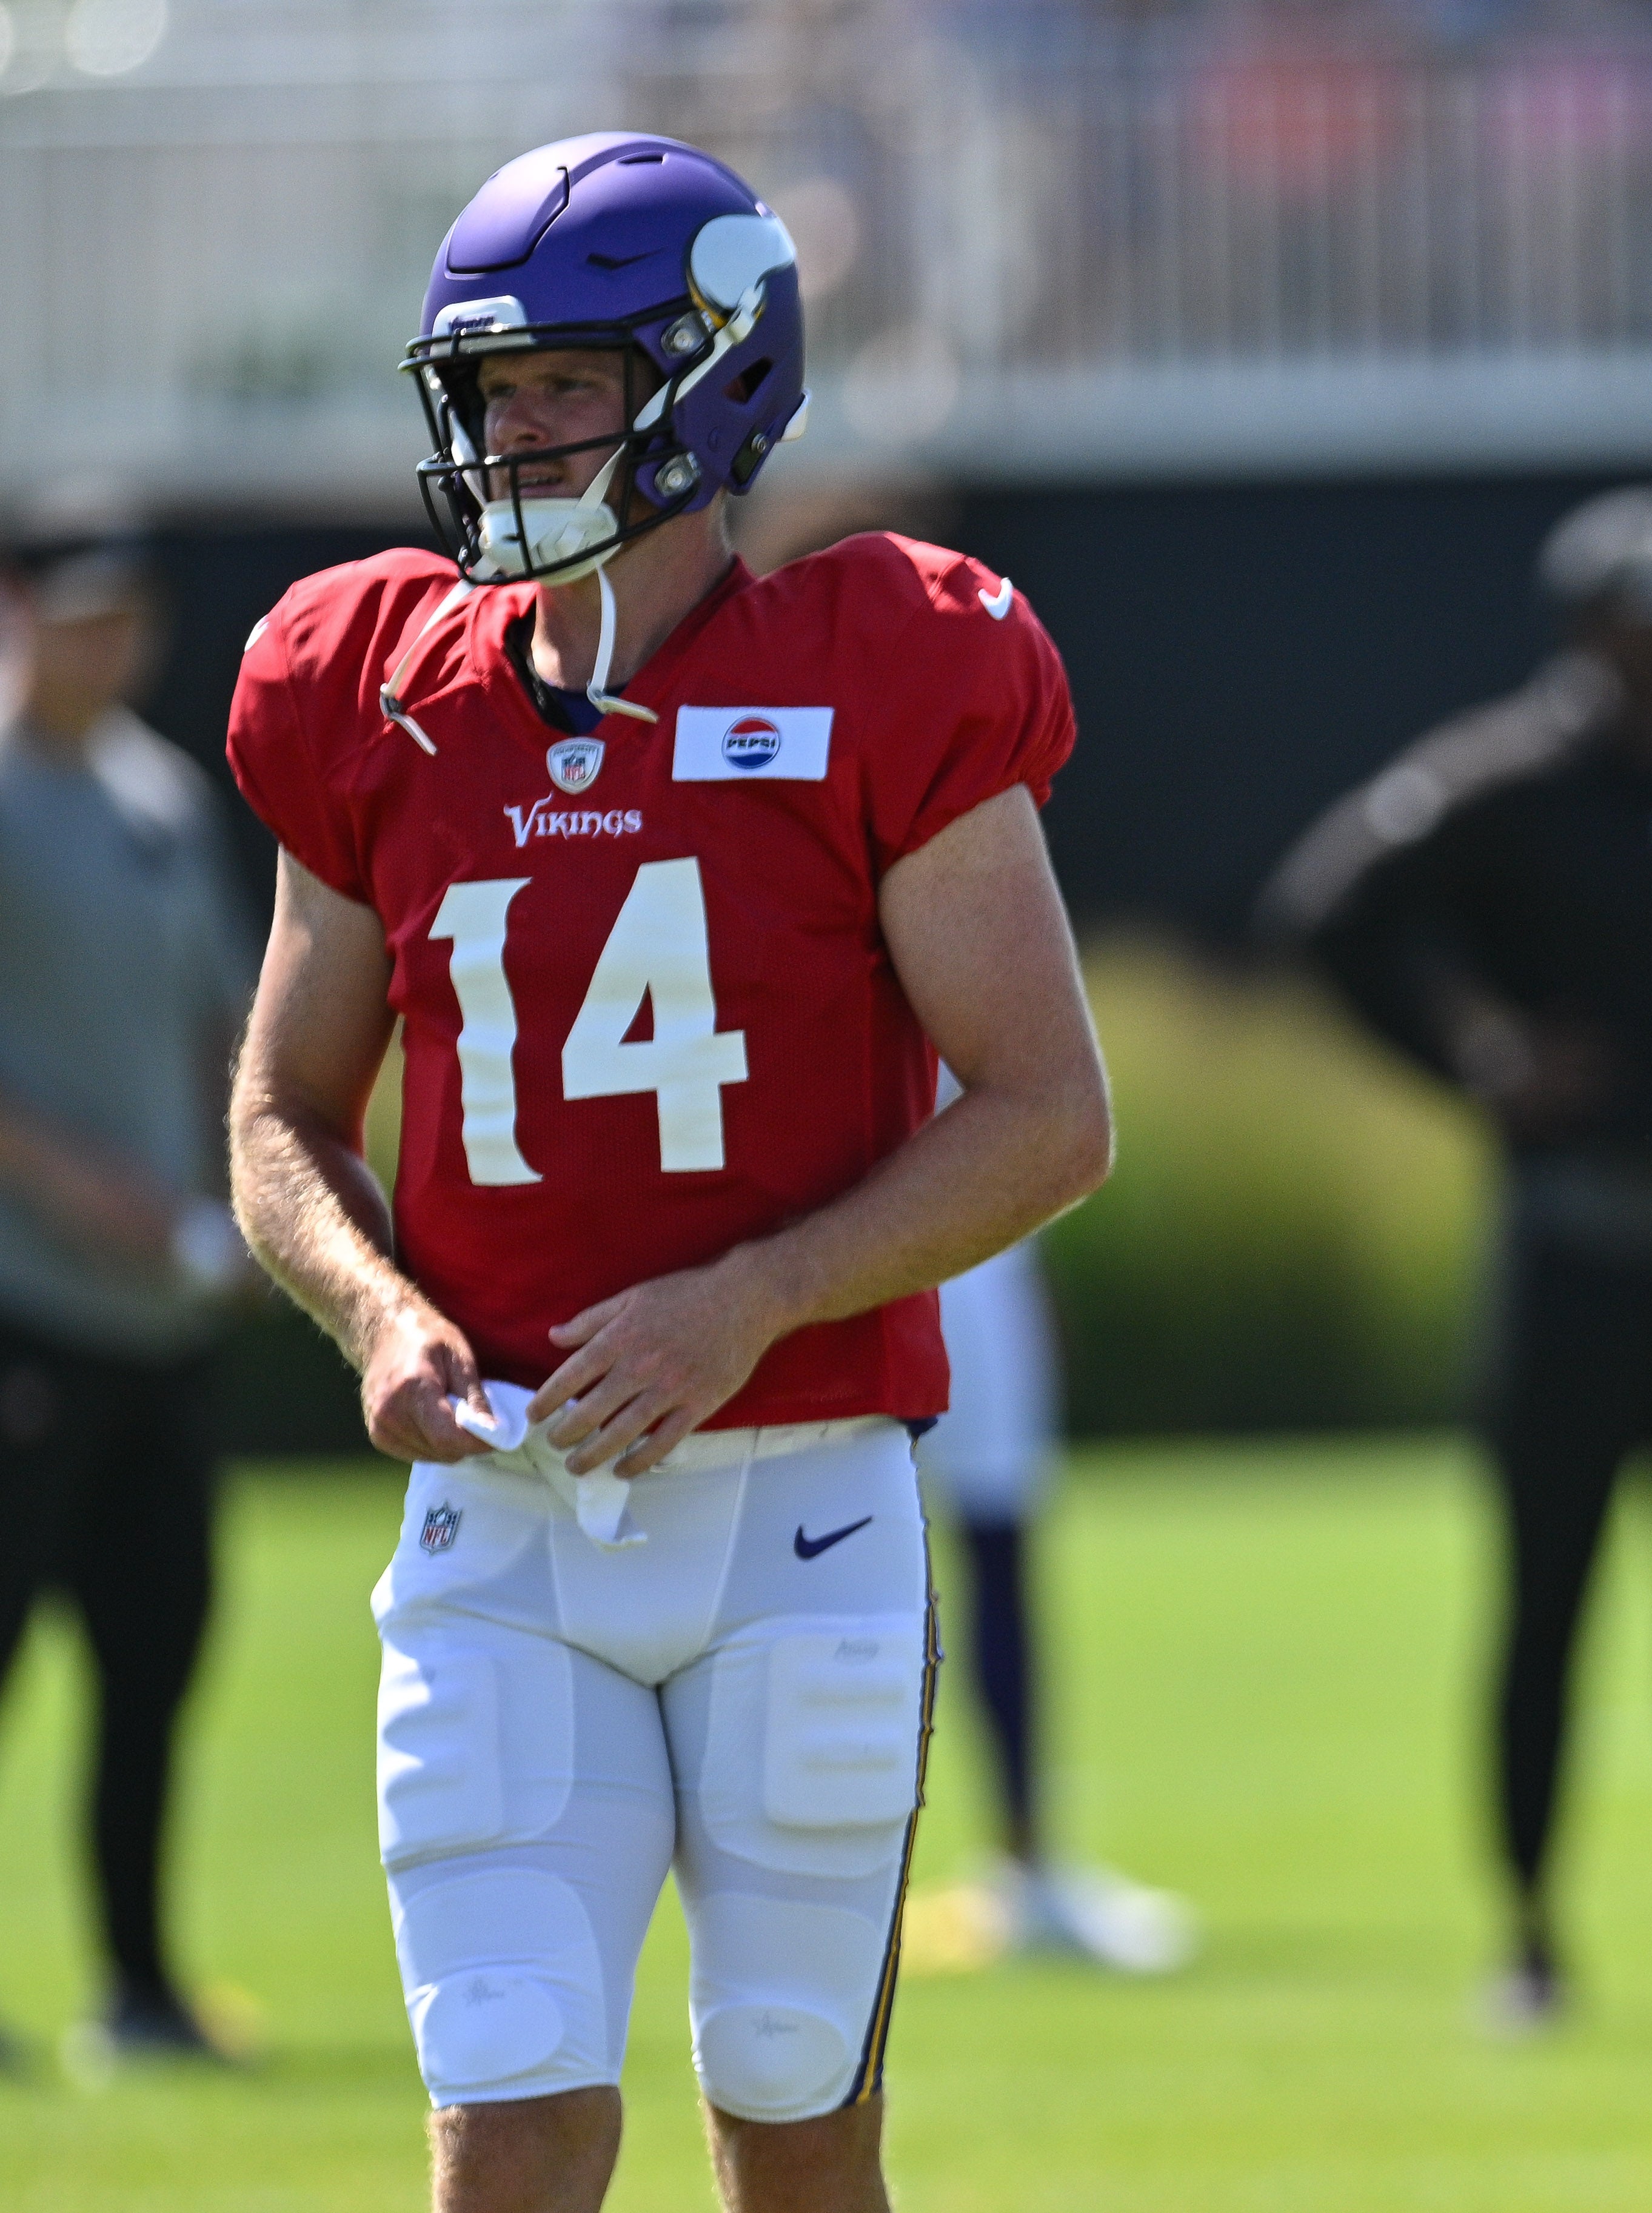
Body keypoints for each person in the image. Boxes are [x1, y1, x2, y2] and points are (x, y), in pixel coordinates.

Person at [221, 134, 1106, 2213]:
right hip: (502, 1515)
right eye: (490, 393)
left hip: (796, 1505)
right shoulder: (369, 689)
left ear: (709, 382)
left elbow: (1046, 1114)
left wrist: (751, 1298)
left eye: (564, 386)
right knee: (507, 2123)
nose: (514, 433)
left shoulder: (883, 656)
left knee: (795, 2127)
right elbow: (281, 1117)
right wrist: (375, 1312)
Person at [1266, 485, 1652, 2027]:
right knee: (1550, 1600)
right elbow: (1330, 911)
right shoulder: (1510, 776)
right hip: (1576, 1247)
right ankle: (1532, 1937)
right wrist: (1481, 1053)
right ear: (1596, 623)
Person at [0, 515, 260, 2067]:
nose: (112, 645)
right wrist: (73, 1183)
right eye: (83, 614)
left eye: (134, 617)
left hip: (162, 1312)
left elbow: (224, 1022)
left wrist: (247, 1202)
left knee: (157, 1643)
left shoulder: (160, 796)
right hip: (24, 1299)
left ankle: (143, 1985)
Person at [918, 1217, 1196, 1972]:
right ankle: (1026, 1868)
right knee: (990, 1559)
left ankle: (1022, 1868)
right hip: (950, 1258)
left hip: (938, 1254)